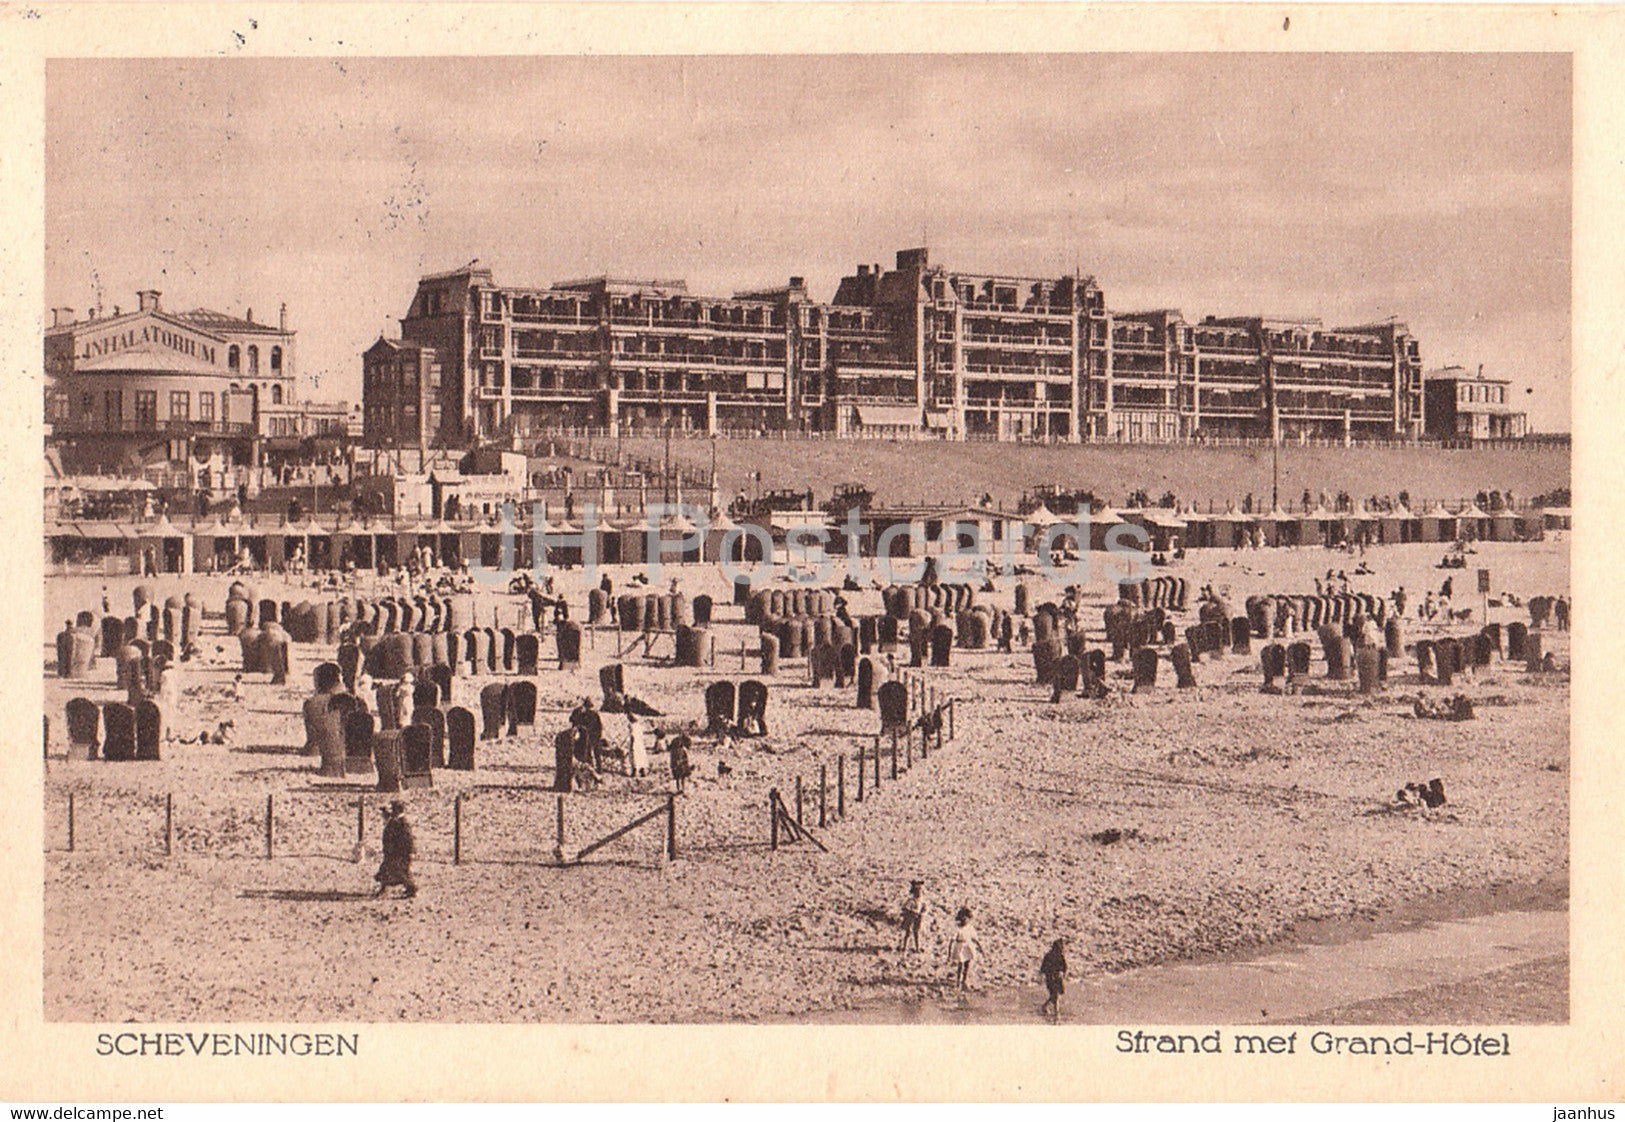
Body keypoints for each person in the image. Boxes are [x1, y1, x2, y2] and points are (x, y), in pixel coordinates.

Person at [374, 800, 417, 898]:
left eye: (393, 810)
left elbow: (408, 839)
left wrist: (410, 852)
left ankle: (412, 890)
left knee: (402, 872)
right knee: (387, 870)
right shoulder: (395, 821)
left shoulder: (403, 823)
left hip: (400, 853)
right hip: (392, 852)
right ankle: (383, 889)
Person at [945, 906, 981, 991]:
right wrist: (949, 954)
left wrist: (980, 947)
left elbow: (974, 938)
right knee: (960, 965)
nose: (965, 921)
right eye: (963, 919)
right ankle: (958, 981)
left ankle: (964, 980)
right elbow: (951, 941)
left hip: (968, 946)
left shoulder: (969, 927)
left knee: (967, 964)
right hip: (960, 946)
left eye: (967, 919)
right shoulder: (957, 928)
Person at [1040, 938, 1068, 1021]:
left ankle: (1045, 1006)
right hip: (1051, 978)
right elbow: (1043, 968)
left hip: (1058, 978)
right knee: (1055, 995)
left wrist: (1062, 974)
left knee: (1058, 993)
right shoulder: (1049, 956)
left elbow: (1065, 967)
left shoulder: (1061, 956)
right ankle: (1057, 1013)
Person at [898, 880, 926, 952]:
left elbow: (924, 908)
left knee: (916, 932)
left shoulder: (921, 901)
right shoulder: (911, 900)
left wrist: (922, 912)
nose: (919, 893)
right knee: (909, 932)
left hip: (918, 917)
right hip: (911, 917)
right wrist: (912, 912)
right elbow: (905, 908)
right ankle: (905, 947)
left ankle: (917, 947)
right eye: (918, 891)